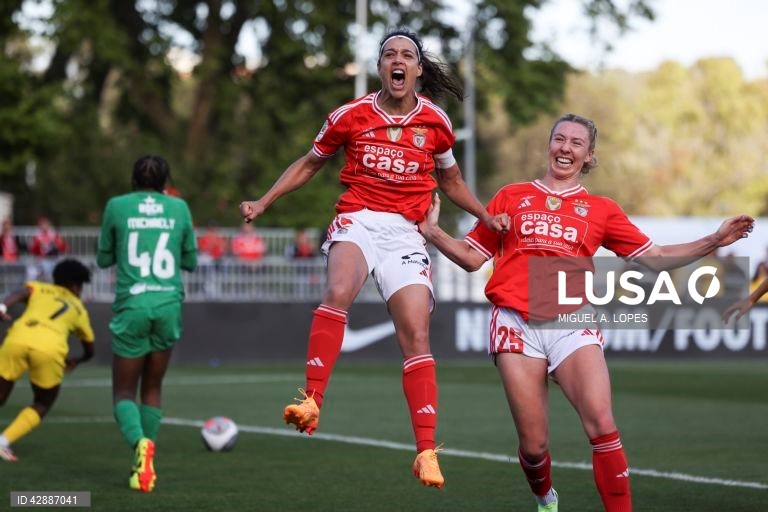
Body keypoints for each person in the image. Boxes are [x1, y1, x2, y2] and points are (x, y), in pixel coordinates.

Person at [417, 113, 754, 511]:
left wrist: (714, 239)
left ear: (588, 156)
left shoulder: (602, 210)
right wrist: (434, 233)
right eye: (559, 139)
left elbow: (658, 258)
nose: (565, 148)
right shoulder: (512, 196)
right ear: (549, 145)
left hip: (569, 317)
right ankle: (545, 497)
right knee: (534, 444)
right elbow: (473, 259)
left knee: (602, 423)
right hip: (514, 323)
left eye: (576, 143)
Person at [239, 27, 506, 489]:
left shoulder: (436, 123)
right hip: (359, 218)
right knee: (338, 289)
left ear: (418, 70)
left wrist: (485, 213)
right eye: (389, 55)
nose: (397, 61)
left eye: (406, 55)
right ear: (380, 67)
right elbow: (309, 162)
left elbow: (453, 181)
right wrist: (264, 201)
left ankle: (425, 451)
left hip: (406, 232)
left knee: (416, 334)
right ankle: (311, 400)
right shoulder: (351, 115)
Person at [97, 155, 197, 492]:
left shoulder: (117, 205)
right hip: (168, 305)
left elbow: (103, 258)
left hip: (133, 305)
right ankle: (146, 463)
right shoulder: (179, 208)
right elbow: (191, 261)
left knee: (124, 392)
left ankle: (140, 444)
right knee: (152, 388)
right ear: (166, 182)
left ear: (133, 180)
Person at [0, 259, 95, 462]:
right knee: (43, 402)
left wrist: (1, 307)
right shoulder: (79, 308)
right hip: (50, 349)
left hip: (17, 339)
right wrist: (78, 360)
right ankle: (3, 441)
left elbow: (18, 293)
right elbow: (90, 348)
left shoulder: (39, 288)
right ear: (75, 285)